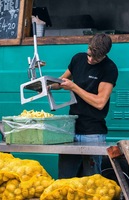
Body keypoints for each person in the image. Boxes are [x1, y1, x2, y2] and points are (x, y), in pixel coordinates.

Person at [50, 33, 118, 178]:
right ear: (88, 47)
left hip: (93, 133)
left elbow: (100, 103)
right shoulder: (78, 59)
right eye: (89, 55)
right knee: (65, 180)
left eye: (96, 58)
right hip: (71, 129)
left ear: (105, 54)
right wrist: (45, 85)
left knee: (91, 183)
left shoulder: (110, 68)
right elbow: (61, 81)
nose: (91, 60)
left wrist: (74, 87)